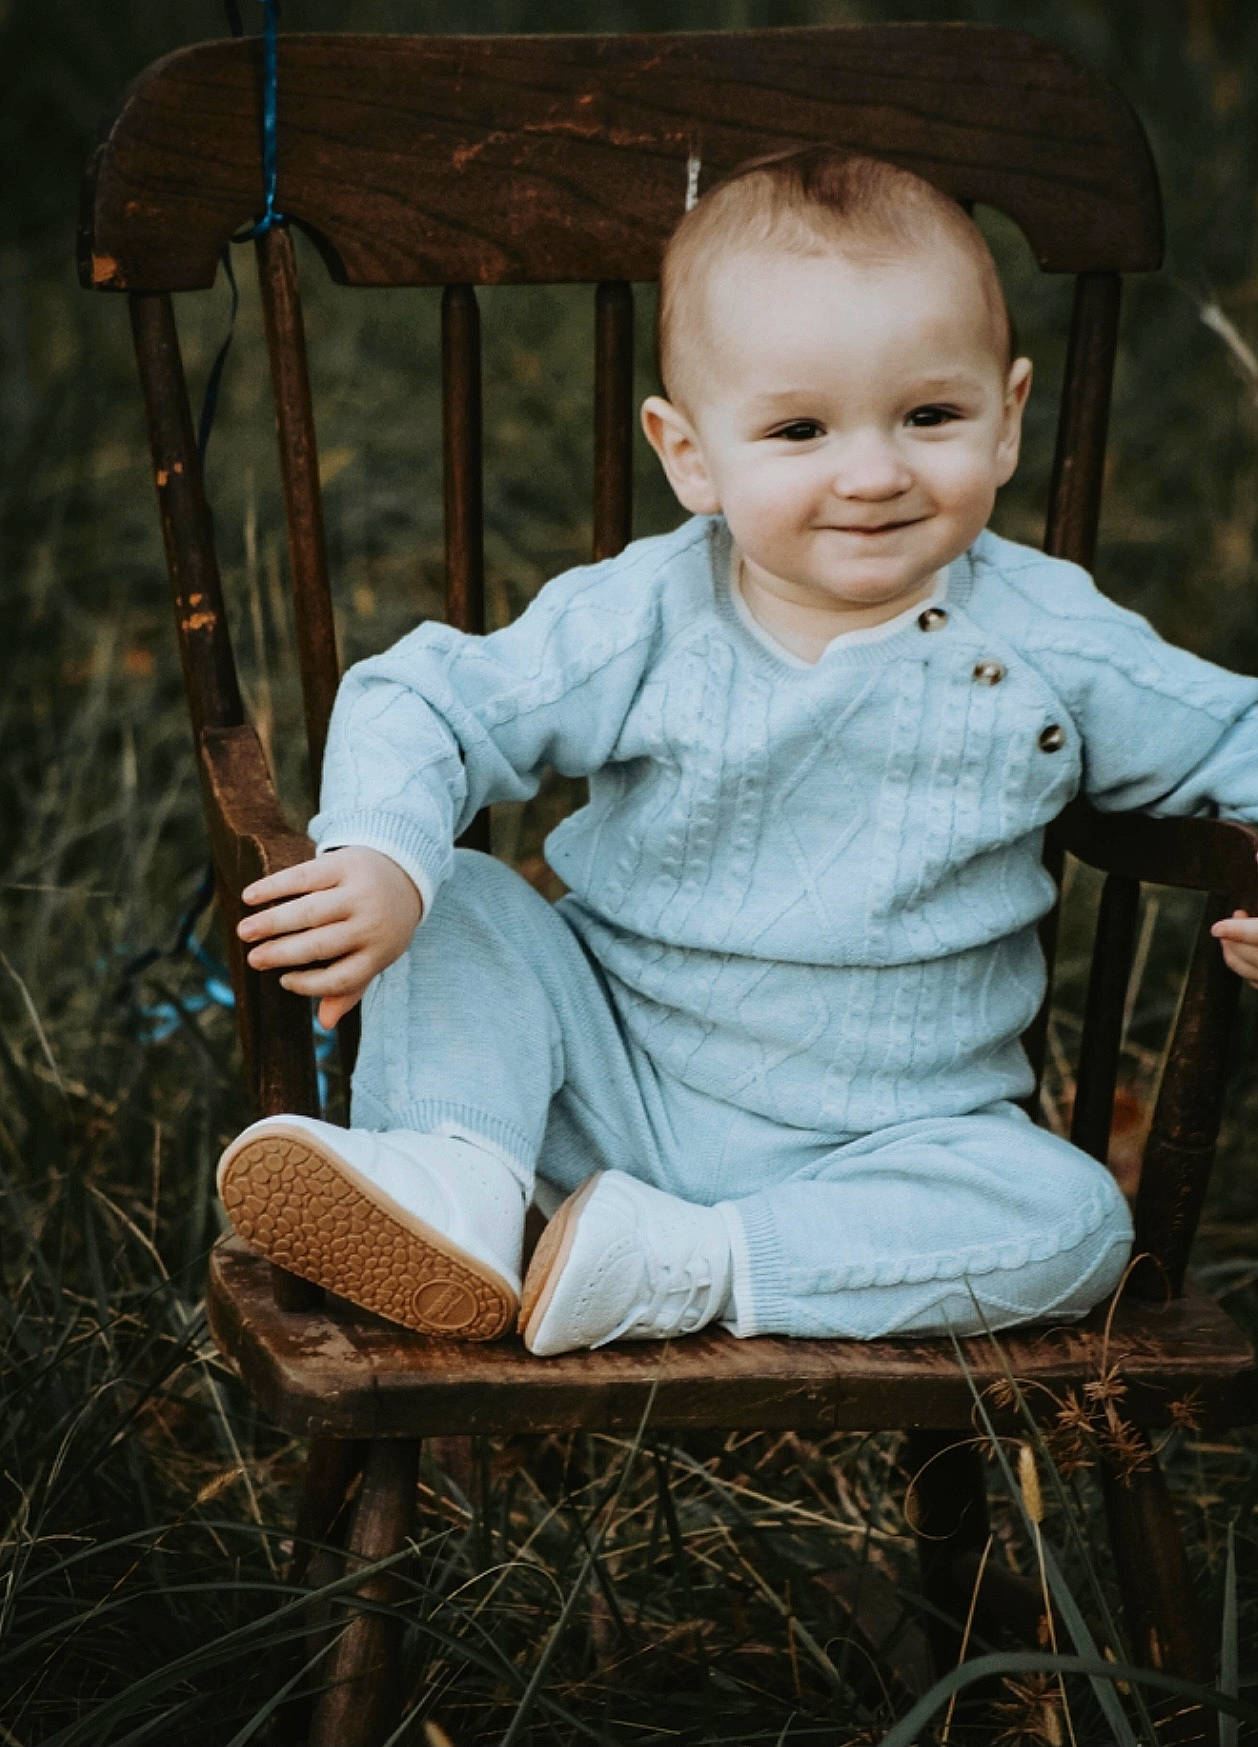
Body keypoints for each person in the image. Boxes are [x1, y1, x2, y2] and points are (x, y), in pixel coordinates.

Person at [216, 147, 1258, 1357]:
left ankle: (676, 1264)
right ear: (689, 454)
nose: (871, 472)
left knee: (1072, 1222)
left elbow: (1236, 732)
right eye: (799, 428)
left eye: (930, 416)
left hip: (895, 1147)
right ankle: (460, 1178)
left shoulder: (1047, 640)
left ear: (1009, 417)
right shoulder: (647, 616)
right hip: (602, 1080)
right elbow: (426, 697)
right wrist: (385, 859)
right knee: (464, 901)